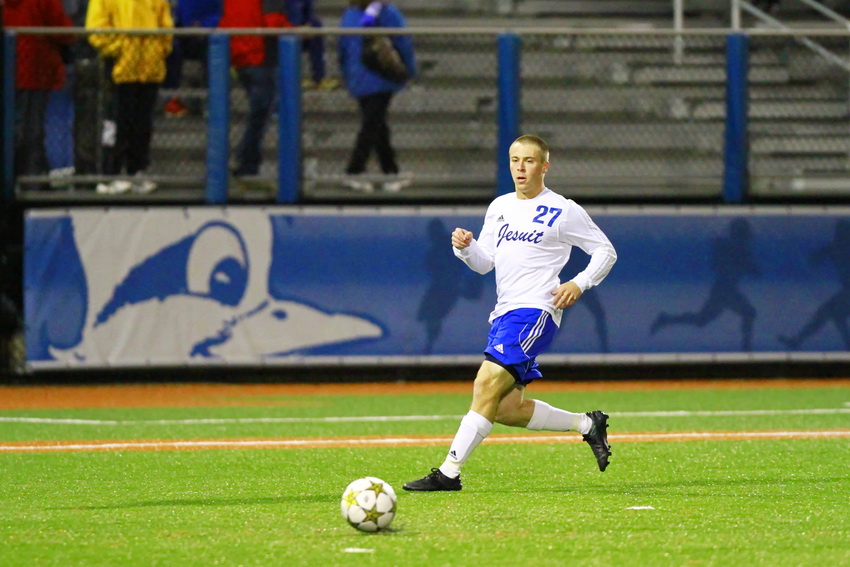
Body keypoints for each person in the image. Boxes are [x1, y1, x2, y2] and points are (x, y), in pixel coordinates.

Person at [404, 135, 618, 492]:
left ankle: (448, 473)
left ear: (544, 166)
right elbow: (484, 263)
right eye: (514, 160)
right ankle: (587, 424)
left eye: (529, 161)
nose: (520, 168)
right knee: (505, 408)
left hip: (535, 310)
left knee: (484, 384)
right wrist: (466, 248)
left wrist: (579, 283)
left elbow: (605, 251)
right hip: (504, 314)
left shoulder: (563, 209)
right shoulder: (499, 206)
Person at [86, 0, 174, 194]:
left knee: (142, 125)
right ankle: (109, 175)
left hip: (149, 68)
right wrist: (119, 48)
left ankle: (137, 171)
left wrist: (159, 49)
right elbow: (97, 27)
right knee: (116, 123)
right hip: (120, 69)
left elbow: (166, 25)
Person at [338, 0, 415, 193]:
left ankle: (390, 172)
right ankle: (354, 171)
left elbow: (343, 49)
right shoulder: (387, 12)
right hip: (380, 77)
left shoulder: (349, 15)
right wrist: (409, 70)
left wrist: (347, 76)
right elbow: (403, 42)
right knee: (372, 125)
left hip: (357, 77)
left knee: (377, 124)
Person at [4, 0, 74, 192]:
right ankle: (32, 182)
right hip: (35, 69)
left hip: (10, 67)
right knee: (32, 130)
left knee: (18, 129)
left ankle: (19, 180)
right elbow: (63, 30)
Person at [219, 0, 291, 177]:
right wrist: (296, 31)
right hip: (260, 57)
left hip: (240, 56)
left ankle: (247, 162)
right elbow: (273, 24)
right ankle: (245, 160)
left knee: (259, 113)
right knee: (261, 113)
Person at [163, 0, 222, 117]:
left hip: (207, 36)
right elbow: (177, 16)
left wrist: (204, 25)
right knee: (172, 49)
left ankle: (213, 103)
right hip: (185, 35)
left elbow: (222, 14)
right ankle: (171, 99)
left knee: (212, 52)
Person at [286, 0, 338, 90]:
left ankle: (319, 77)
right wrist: (295, 28)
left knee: (316, 28)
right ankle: (292, 78)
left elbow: (308, 14)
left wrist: (307, 26)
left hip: (301, 29)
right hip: (286, 29)